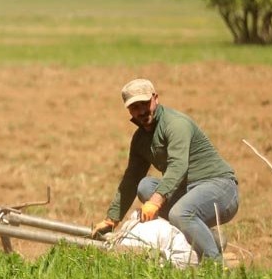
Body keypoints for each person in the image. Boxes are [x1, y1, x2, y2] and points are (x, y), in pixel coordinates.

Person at [90, 78, 240, 263]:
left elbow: (178, 166)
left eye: (145, 104)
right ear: (128, 110)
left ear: (155, 98)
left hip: (219, 188)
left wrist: (156, 201)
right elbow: (131, 179)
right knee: (144, 186)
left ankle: (214, 264)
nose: (142, 111)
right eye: (135, 107)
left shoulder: (176, 124)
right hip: (188, 192)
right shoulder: (140, 139)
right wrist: (112, 219)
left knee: (180, 213)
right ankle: (206, 240)